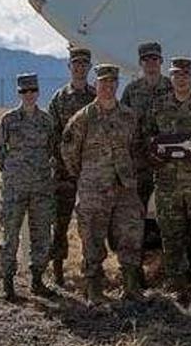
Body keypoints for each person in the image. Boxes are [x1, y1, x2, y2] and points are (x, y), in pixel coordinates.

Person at [61, 64, 145, 306]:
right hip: (93, 189)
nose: (107, 88)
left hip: (124, 189)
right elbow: (68, 152)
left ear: (117, 85)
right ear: (96, 85)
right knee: (92, 238)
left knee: (130, 235)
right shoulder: (83, 118)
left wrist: (129, 175)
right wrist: (87, 175)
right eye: (103, 83)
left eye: (112, 83)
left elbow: (137, 149)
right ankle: (94, 288)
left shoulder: (129, 116)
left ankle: (130, 286)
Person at [145, 56, 191, 302]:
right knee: (171, 234)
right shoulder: (158, 106)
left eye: (185, 74)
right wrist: (155, 153)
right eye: (176, 74)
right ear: (171, 77)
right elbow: (147, 137)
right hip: (167, 184)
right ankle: (178, 285)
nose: (181, 79)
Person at [0, 73, 56, 302]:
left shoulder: (47, 121)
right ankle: (8, 283)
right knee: (10, 236)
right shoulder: (9, 120)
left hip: (40, 188)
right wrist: (13, 172)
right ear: (19, 93)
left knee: (41, 235)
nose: (28, 95)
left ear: (38, 92)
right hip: (14, 189)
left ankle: (37, 280)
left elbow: (52, 151)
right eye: (24, 91)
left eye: (32, 91)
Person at [46, 44, 96, 287]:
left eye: (84, 64)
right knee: (60, 222)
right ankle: (57, 271)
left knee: (90, 223)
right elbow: (52, 135)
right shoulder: (58, 98)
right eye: (75, 64)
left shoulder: (96, 97)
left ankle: (91, 271)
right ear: (69, 67)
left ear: (89, 68)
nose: (80, 68)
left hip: (89, 172)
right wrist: (62, 163)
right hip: (64, 173)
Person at [121, 41, 173, 213]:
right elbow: (123, 123)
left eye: (154, 58)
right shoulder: (131, 90)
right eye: (146, 59)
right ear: (140, 63)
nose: (150, 62)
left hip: (167, 160)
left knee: (169, 211)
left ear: (161, 61)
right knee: (137, 210)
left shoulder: (173, 88)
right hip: (139, 161)